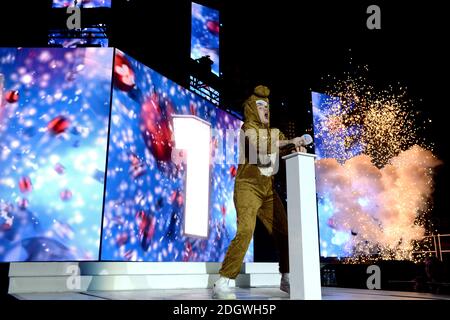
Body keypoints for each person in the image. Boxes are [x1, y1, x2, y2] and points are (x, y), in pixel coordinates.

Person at [212, 85, 308, 299]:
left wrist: (297, 147)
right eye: (261, 106)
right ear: (252, 109)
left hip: (268, 190)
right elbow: (262, 146)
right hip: (248, 186)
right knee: (246, 230)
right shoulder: (248, 128)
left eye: (267, 106)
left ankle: (287, 277)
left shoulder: (275, 132)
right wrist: (289, 142)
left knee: (284, 232)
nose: (266, 110)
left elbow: (284, 147)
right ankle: (223, 280)